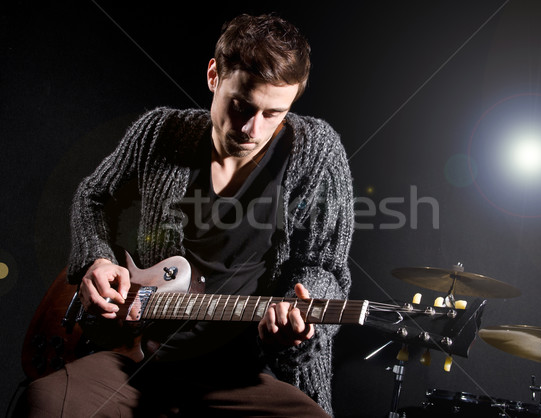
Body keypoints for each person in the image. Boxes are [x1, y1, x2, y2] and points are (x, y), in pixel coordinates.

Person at [19, 13, 354, 417]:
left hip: (247, 376)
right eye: (242, 105)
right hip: (138, 358)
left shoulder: (317, 152)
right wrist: (96, 259)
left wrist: (298, 321)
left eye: (273, 114)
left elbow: (324, 268)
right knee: (45, 403)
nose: (252, 129)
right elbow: (93, 196)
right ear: (214, 75)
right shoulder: (159, 132)